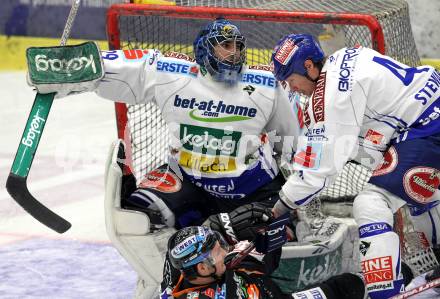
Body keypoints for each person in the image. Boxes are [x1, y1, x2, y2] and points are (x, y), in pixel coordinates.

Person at [269, 33, 440, 298]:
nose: (292, 88)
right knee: (418, 192)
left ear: (309, 67)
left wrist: (280, 208)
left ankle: (385, 293)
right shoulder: (342, 58)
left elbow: (320, 169)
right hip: (425, 115)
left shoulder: (331, 92)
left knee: (371, 204)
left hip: (427, 126)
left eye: (291, 80)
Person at [98, 17, 302, 230]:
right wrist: (69, 70)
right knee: (140, 216)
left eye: (238, 46)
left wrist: (297, 192)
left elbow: (290, 145)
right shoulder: (172, 74)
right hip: (191, 183)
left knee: (272, 236)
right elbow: (106, 68)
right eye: (226, 45)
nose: (235, 53)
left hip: (253, 188)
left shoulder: (265, 84)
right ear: (206, 48)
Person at [164, 224, 365, 299]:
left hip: (262, 287)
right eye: (219, 252)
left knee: (348, 284)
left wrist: (266, 243)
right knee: (345, 287)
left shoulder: (182, 271)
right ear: (202, 267)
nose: (225, 252)